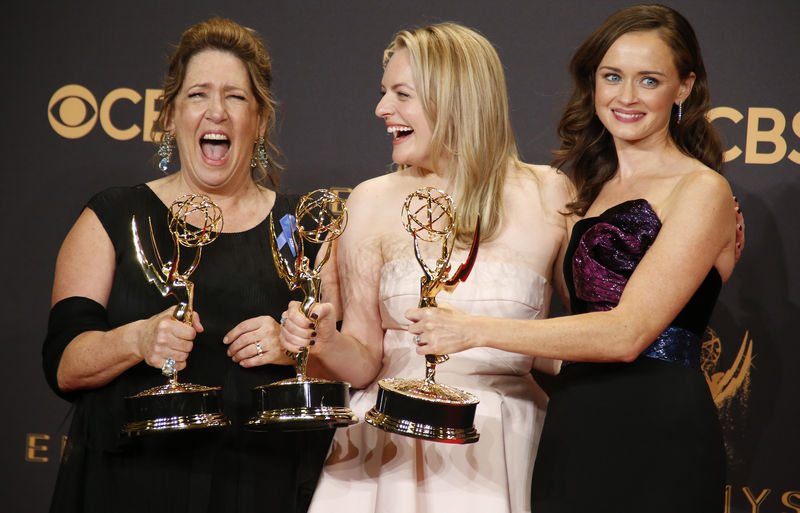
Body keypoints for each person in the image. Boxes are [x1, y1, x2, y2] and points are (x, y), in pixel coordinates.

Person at [407, 5, 734, 512]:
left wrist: (473, 329)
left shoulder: (703, 189)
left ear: (684, 88)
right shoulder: (584, 190)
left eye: (648, 80)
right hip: (574, 421)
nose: (626, 97)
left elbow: (626, 333)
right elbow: (572, 314)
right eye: (612, 77)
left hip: (659, 426)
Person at [42, 17, 331, 513]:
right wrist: (136, 340)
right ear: (170, 115)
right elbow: (65, 365)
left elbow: (353, 366)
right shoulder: (111, 217)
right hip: (130, 484)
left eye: (236, 98)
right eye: (198, 94)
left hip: (262, 485)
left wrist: (297, 353)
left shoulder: (302, 228)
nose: (216, 112)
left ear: (260, 120)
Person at [279, 23, 570, 513]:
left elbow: (583, 341)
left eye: (402, 94)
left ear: (455, 99)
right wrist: (325, 341)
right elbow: (366, 358)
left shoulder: (549, 194)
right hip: (387, 451)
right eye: (383, 92)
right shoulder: (370, 201)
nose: (381, 109)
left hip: (503, 444)